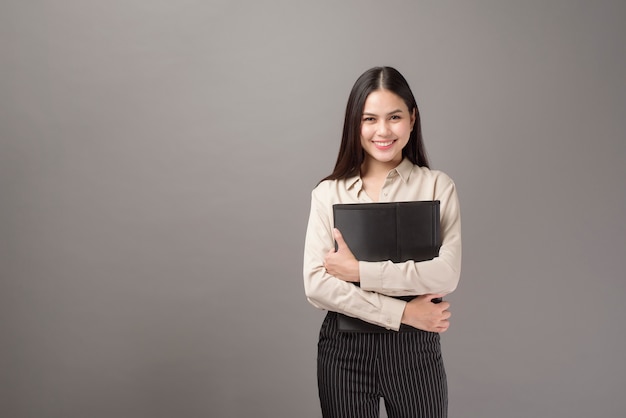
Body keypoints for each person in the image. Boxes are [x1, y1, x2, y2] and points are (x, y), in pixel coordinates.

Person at [302, 66, 462, 418]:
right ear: (354, 124)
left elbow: (446, 275)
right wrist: (404, 311)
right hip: (345, 352)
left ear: (412, 119)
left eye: (395, 117)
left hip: (415, 352)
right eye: (369, 119)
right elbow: (316, 286)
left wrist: (358, 271)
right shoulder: (328, 193)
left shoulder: (437, 186)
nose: (383, 130)